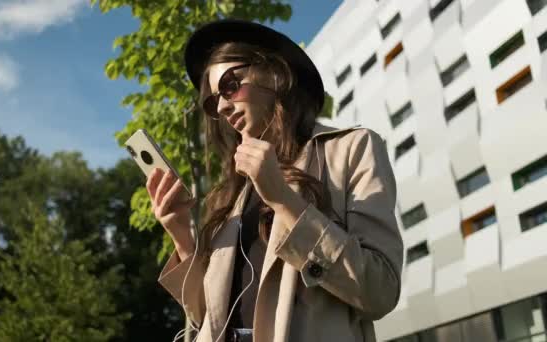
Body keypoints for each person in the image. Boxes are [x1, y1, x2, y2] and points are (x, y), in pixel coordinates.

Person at [145, 19, 404, 342]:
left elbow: (380, 291)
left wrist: (283, 199)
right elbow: (207, 315)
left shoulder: (351, 148)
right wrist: (181, 232)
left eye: (230, 84)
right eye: (214, 101)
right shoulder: (232, 192)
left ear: (275, 73)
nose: (224, 106)